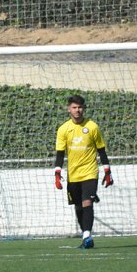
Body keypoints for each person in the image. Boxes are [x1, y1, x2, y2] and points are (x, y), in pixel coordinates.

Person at [54, 94, 113, 249]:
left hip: (90, 172)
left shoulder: (92, 127)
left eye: (80, 107)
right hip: (73, 175)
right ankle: (86, 236)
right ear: (69, 109)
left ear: (84, 108)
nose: (77, 110)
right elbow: (60, 154)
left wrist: (108, 172)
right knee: (79, 207)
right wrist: (57, 174)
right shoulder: (63, 129)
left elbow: (101, 151)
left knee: (87, 202)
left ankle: (87, 235)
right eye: (74, 107)